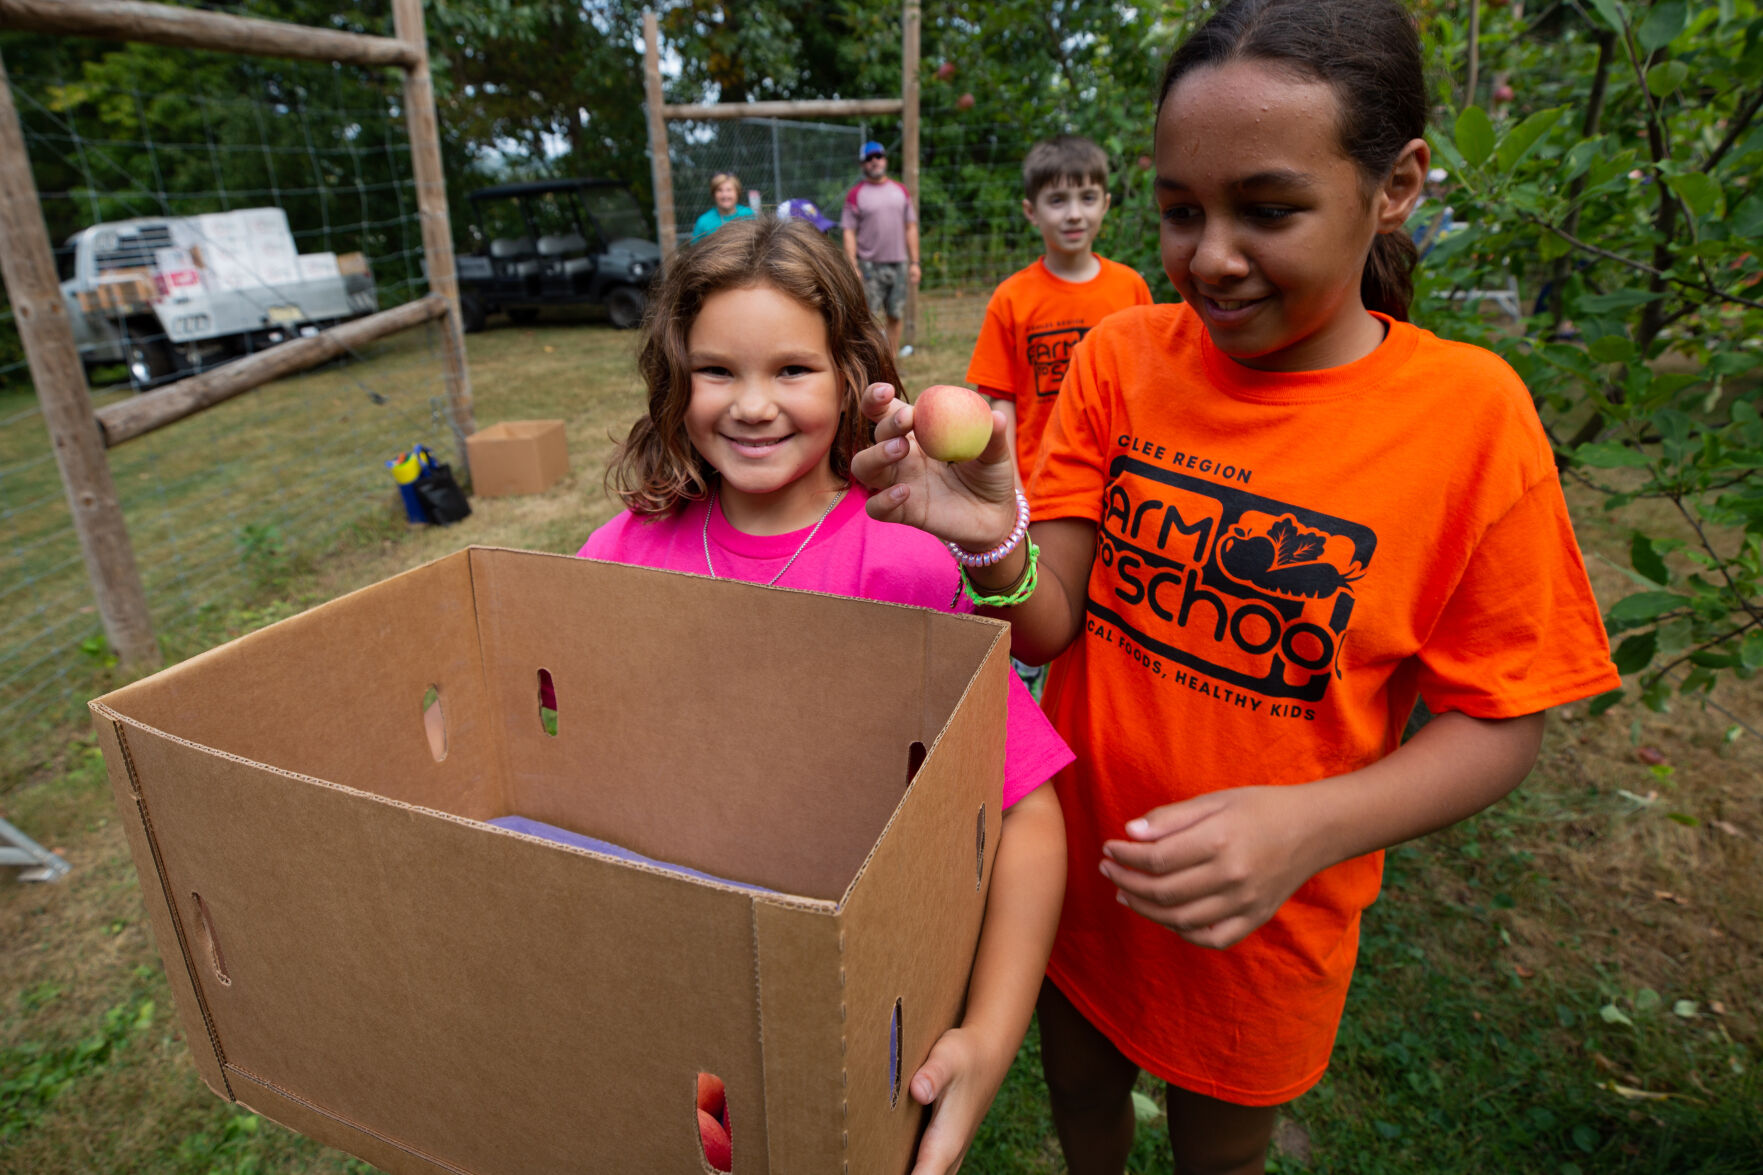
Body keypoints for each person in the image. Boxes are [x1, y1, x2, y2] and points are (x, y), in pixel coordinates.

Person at [850, 1, 1622, 1172]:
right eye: (1178, 211)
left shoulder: (1470, 418)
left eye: (1265, 210)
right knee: (1079, 1098)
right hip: (1078, 877)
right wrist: (990, 545)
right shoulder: (1122, 358)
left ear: (1397, 183)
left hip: (1263, 924)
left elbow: (1501, 718)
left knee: (1220, 1149)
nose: (1208, 254)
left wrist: (1309, 825)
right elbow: (1051, 618)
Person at [581, 215, 1072, 1175]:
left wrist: (985, 1036)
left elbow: (1025, 813)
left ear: (850, 375)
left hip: (850, 986)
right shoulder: (618, 557)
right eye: (717, 370)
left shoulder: (901, 568)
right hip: (671, 983)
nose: (752, 405)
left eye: (791, 370)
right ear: (674, 374)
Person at [965, 133, 1154, 693]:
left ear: (1106, 205)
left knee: (1100, 596)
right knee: (1036, 602)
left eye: (1088, 197)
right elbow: (998, 397)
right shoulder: (1013, 298)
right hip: (1039, 485)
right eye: (1057, 201)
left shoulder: (1131, 288)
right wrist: (1011, 484)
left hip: (1117, 481)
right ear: (1031, 211)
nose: (1074, 214)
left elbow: (1145, 388)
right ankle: (1021, 689)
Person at [841, 140, 920, 357]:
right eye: (869, 158)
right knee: (866, 318)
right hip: (869, 266)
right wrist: (852, 265)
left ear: (885, 159)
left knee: (895, 314)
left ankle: (891, 360)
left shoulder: (901, 191)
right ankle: (869, 361)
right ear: (862, 165)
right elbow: (849, 231)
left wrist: (915, 262)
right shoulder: (855, 194)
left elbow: (911, 227)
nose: (874, 161)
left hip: (899, 264)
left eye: (878, 156)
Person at [691, 172, 755, 243]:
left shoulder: (749, 215)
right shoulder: (703, 222)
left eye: (729, 190)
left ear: (737, 192)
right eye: (719, 190)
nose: (725, 195)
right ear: (713, 194)